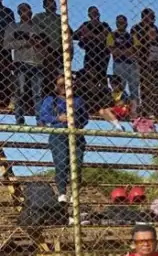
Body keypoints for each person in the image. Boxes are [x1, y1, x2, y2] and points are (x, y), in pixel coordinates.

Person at [38, 74, 88, 202]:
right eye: (61, 85)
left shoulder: (78, 100)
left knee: (76, 165)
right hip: (58, 134)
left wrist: (74, 121)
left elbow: (85, 118)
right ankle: (62, 193)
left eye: (68, 86)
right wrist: (57, 119)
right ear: (56, 86)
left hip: (76, 134)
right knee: (61, 163)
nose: (64, 88)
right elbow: (43, 115)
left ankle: (74, 194)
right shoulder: (51, 99)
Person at [3, 3, 43, 125]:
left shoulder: (38, 27)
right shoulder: (13, 26)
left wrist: (37, 45)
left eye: (30, 9)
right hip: (21, 63)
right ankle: (19, 118)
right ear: (19, 13)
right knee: (20, 91)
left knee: (38, 93)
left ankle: (39, 119)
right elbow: (7, 45)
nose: (29, 12)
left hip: (37, 63)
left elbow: (44, 43)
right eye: (25, 10)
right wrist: (25, 43)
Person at [136, 23, 158, 119]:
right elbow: (139, 58)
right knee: (149, 92)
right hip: (148, 71)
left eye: (154, 33)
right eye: (150, 33)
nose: (152, 35)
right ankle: (150, 111)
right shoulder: (143, 45)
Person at [110, 15, 139, 118]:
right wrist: (127, 52)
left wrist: (122, 51)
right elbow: (113, 51)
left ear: (126, 23)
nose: (120, 24)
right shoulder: (112, 35)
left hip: (131, 64)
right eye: (119, 22)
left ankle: (134, 110)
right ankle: (119, 108)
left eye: (122, 22)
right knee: (119, 87)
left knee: (134, 88)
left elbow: (135, 50)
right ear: (116, 23)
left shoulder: (131, 36)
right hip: (119, 63)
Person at [73, 6, 112, 78]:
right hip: (90, 55)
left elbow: (108, 38)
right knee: (89, 76)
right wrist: (86, 37)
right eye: (94, 13)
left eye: (97, 12)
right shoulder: (86, 24)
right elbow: (75, 35)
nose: (96, 14)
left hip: (103, 55)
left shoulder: (104, 25)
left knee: (102, 77)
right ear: (89, 15)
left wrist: (89, 35)